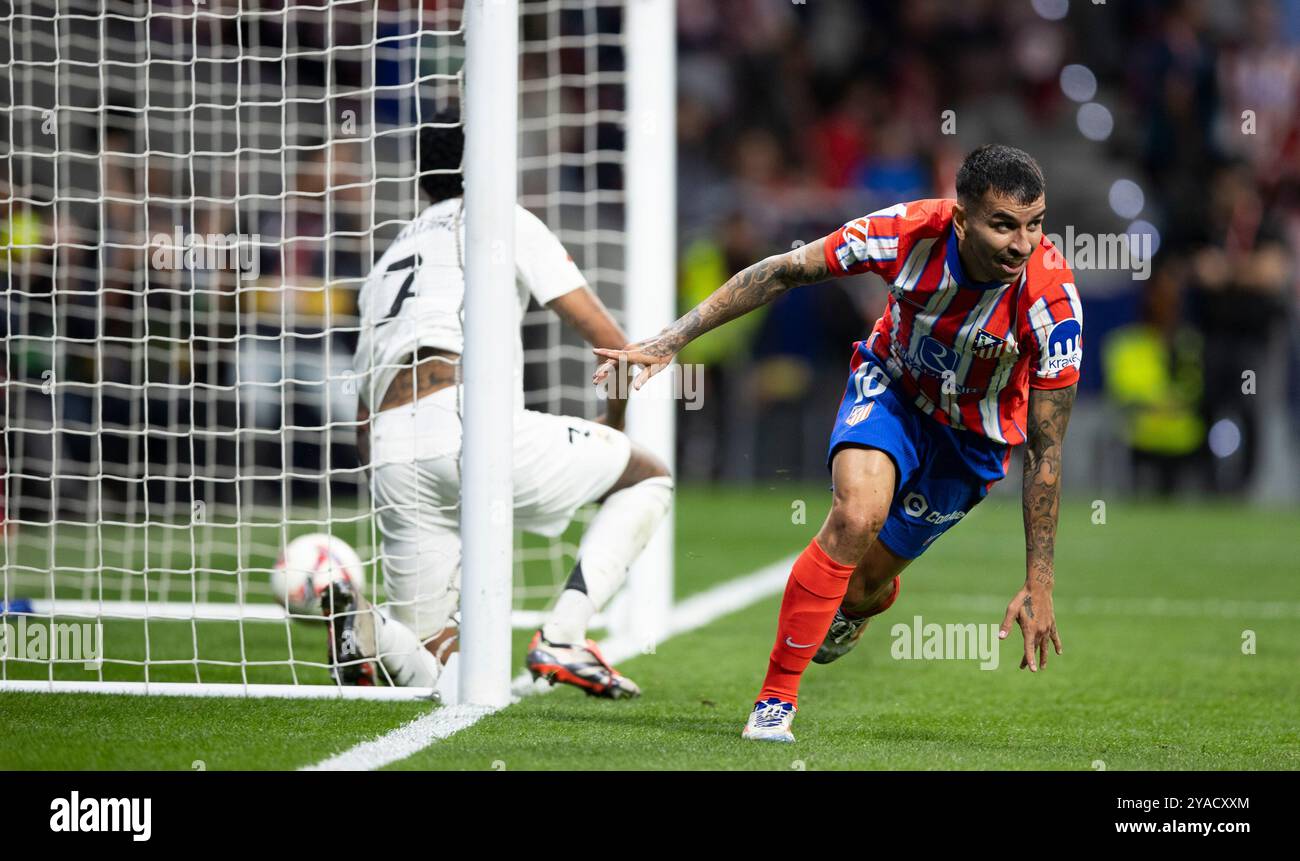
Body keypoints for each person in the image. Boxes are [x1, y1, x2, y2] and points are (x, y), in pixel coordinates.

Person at [595, 144, 1081, 740]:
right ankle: (775, 702)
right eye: (1003, 224)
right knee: (856, 515)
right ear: (961, 220)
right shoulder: (903, 234)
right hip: (894, 389)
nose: (1022, 244)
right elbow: (782, 271)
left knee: (861, 584)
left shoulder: (1054, 309)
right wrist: (673, 340)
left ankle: (860, 604)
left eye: (1035, 225)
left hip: (973, 443)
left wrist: (1040, 582)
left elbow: (1045, 450)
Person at [329, 113, 673, 698]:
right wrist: (612, 425)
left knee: (438, 669)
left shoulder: (385, 263)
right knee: (646, 477)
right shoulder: (501, 220)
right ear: (486, 165)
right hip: (468, 424)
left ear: (422, 181)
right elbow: (614, 345)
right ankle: (563, 637)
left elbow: (362, 408)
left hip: (391, 449)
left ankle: (371, 629)